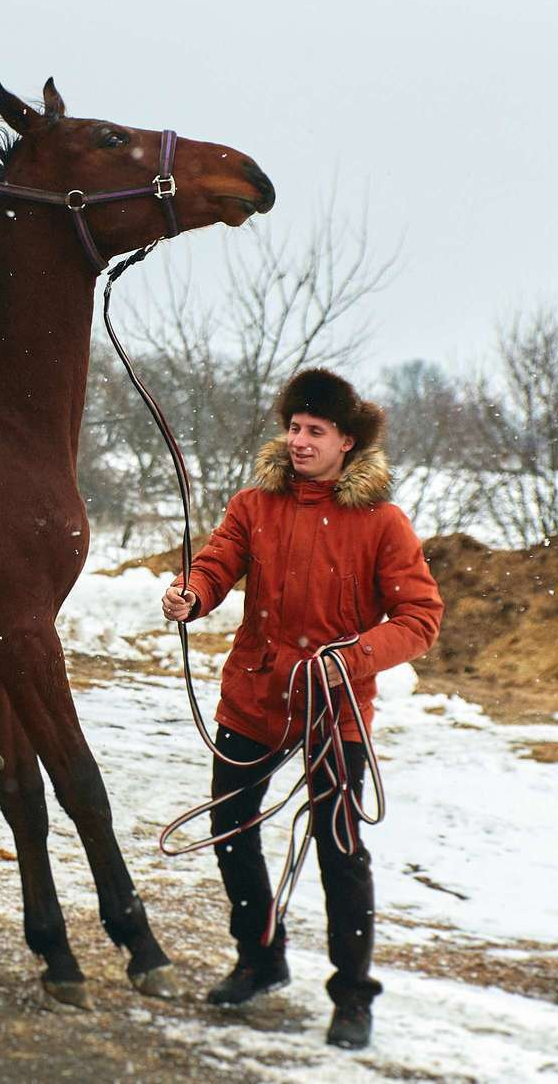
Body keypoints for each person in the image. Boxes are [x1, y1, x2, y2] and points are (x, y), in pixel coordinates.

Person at [161, 368, 442, 1050]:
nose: (299, 440)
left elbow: (421, 616)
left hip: (334, 707)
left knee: (340, 849)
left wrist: (354, 657)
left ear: (347, 441)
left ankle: (352, 996)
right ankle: (260, 957)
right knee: (231, 828)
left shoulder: (382, 522)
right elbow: (218, 561)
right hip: (256, 694)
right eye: (294, 427)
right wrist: (192, 594)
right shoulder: (256, 503)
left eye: (315, 430)